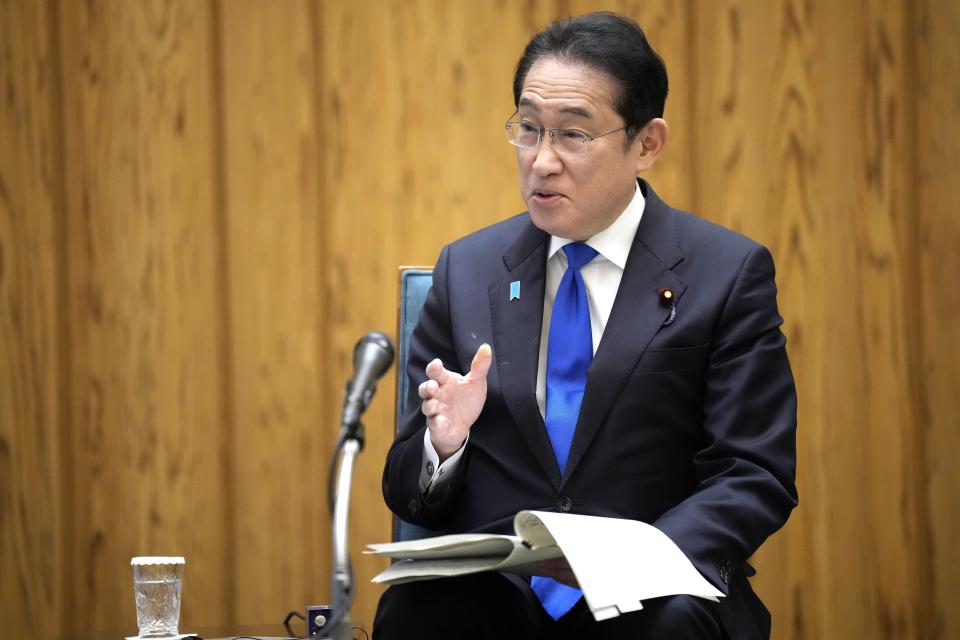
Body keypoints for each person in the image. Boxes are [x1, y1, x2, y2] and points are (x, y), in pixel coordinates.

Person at [374, 11, 797, 640]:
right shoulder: (467, 271)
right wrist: (445, 446)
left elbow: (753, 472)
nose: (541, 161)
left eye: (573, 134)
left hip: (652, 592)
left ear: (646, 144)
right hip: (501, 596)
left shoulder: (725, 272)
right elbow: (408, 492)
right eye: (528, 128)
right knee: (417, 613)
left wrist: (632, 562)